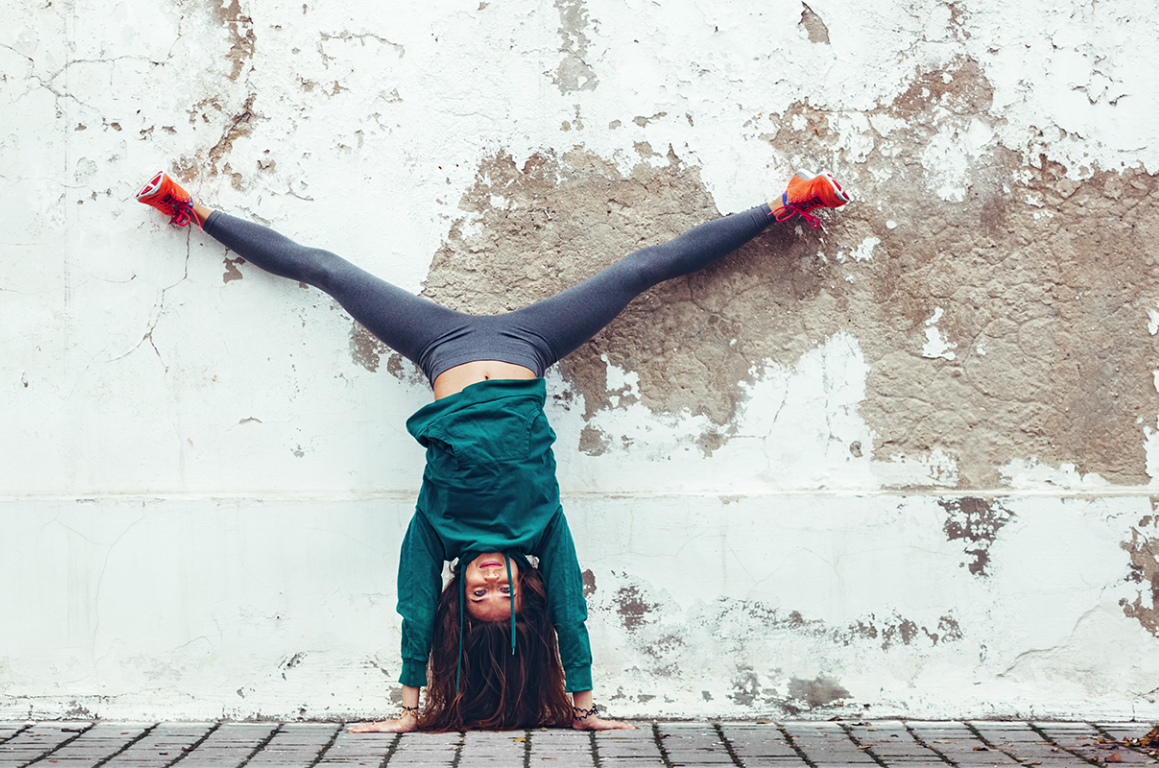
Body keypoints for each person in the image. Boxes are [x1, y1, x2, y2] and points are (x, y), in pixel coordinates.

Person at [137, 168, 850, 731]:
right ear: (523, 583)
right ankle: (784, 205)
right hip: (529, 346)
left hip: (438, 345)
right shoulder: (544, 532)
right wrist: (585, 707)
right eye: (502, 590)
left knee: (326, 271)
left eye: (475, 594)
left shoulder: (436, 533)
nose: (485, 580)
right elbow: (570, 612)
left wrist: (410, 708)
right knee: (642, 270)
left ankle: (193, 210)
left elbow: (416, 609)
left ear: (460, 592)